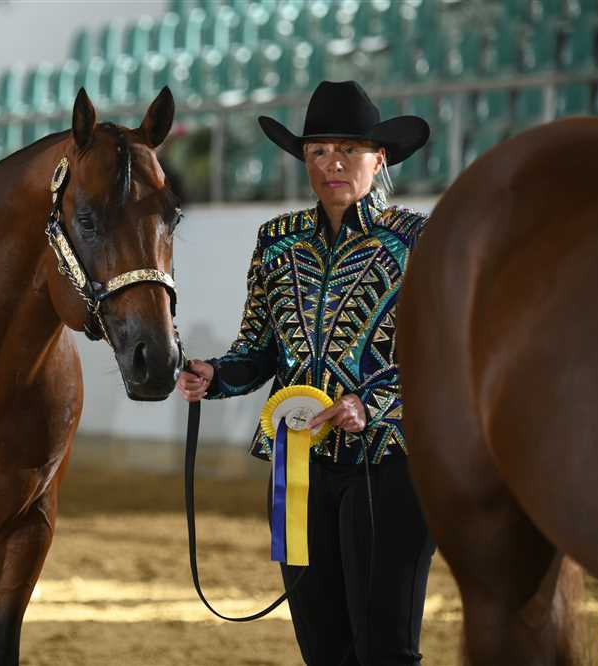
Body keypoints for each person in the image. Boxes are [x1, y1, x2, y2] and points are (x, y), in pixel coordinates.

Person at [177, 80, 437, 665]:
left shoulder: (416, 241)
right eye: (318, 151)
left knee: (386, 648)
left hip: (390, 464)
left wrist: (372, 404)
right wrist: (215, 375)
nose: (332, 163)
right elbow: (259, 348)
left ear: (379, 158)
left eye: (348, 149)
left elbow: (438, 357)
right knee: (322, 647)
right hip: (298, 465)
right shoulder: (276, 243)